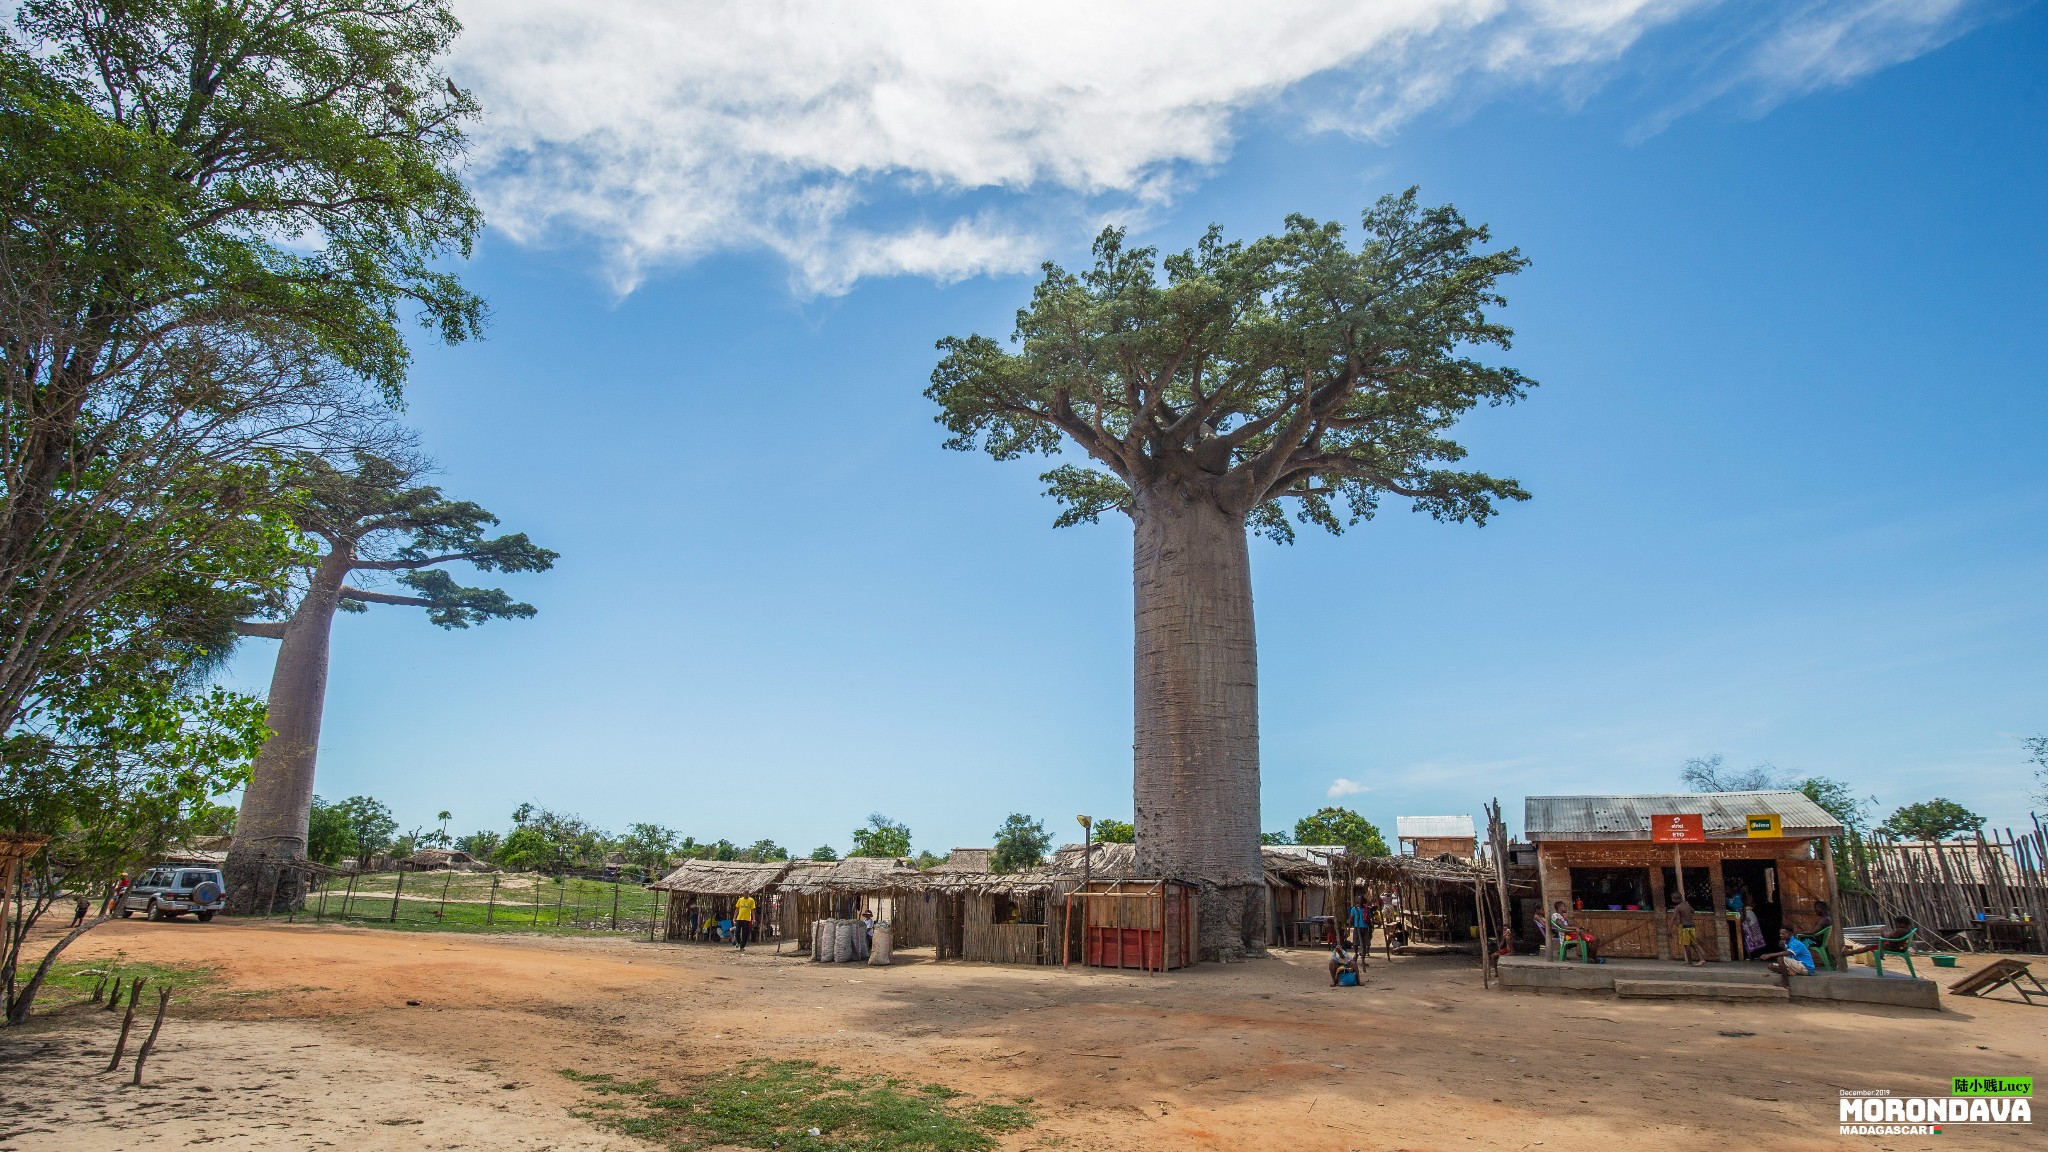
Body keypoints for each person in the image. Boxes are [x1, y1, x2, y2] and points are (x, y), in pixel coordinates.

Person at [1668, 891, 1705, 966]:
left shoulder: (1678, 907)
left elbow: (1673, 918)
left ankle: (1690, 962)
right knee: (1693, 943)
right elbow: (1693, 911)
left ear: (1674, 899)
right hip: (1691, 926)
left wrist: (1669, 929)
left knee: (1686, 944)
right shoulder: (1687, 903)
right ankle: (1701, 959)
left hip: (1685, 927)